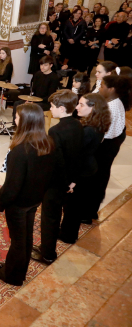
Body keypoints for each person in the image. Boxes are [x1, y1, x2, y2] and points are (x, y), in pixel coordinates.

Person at [0, 104, 56, 286]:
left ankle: (12, 276)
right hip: (34, 200)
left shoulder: (19, 151)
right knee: (26, 239)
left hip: (18, 204)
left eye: (17, 117)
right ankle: (16, 268)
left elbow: (12, 186)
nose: (15, 119)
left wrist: (1, 202)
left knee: (18, 242)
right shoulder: (47, 142)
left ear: (25, 122)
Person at [31, 90, 83, 265]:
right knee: (55, 216)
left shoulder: (55, 130)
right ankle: (47, 248)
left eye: (52, 106)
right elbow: (77, 156)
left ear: (61, 108)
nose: (50, 109)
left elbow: (57, 161)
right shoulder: (78, 125)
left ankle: (47, 253)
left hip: (56, 183)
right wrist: (73, 181)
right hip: (70, 180)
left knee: (50, 218)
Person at [59, 93, 109, 241]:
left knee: (72, 207)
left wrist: (73, 180)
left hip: (82, 172)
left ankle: (67, 236)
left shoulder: (88, 130)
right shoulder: (97, 124)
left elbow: (78, 157)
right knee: (75, 206)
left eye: (81, 104)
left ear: (93, 108)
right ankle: (67, 232)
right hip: (88, 167)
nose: (76, 107)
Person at [89, 74, 130, 220]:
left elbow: (103, 133)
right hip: (112, 141)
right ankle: (91, 209)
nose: (100, 88)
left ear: (111, 89)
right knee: (101, 176)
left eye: (102, 86)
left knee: (97, 177)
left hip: (106, 145)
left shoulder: (111, 107)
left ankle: (89, 211)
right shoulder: (115, 100)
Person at [11, 56, 60, 124]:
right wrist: (29, 99)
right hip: (35, 99)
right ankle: (15, 125)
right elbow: (33, 89)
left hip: (45, 102)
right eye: (41, 65)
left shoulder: (54, 77)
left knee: (30, 107)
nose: (42, 67)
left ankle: (28, 127)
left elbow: (50, 96)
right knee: (17, 104)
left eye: (45, 65)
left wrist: (34, 102)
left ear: (51, 65)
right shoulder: (38, 74)